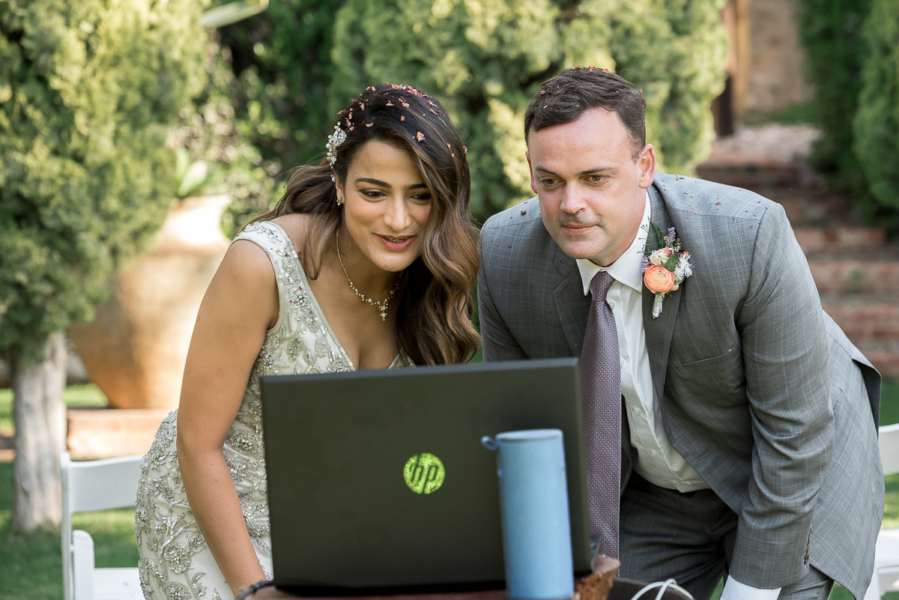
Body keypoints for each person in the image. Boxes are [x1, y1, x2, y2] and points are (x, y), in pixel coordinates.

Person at [477, 67, 883, 600]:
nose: (570, 203)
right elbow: (524, 436)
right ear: (530, 171)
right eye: (550, 181)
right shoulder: (504, 255)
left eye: (595, 178)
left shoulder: (748, 236)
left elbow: (796, 437)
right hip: (652, 494)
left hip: (795, 474)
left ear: (644, 165)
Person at [135, 83, 480, 600]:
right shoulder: (262, 265)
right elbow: (196, 444)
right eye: (374, 192)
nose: (398, 220)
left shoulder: (434, 278)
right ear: (339, 184)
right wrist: (256, 589)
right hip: (208, 512)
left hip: (327, 517)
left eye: (421, 195)